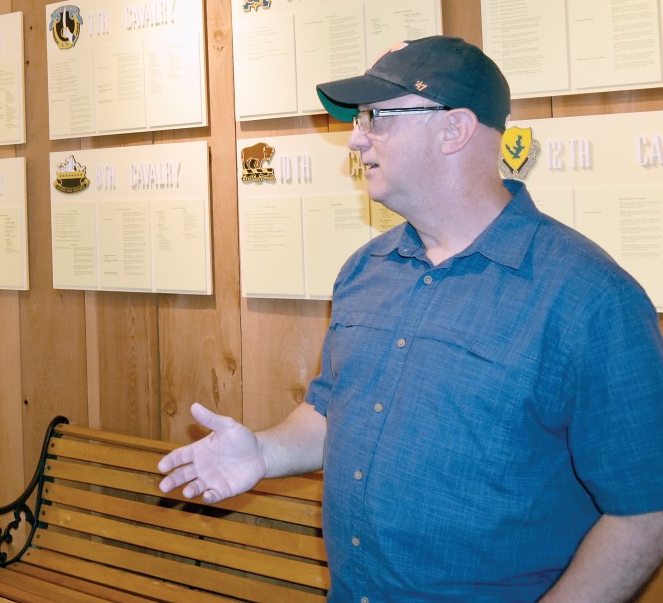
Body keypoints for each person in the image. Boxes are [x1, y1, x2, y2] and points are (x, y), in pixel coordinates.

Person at [159, 36, 663, 602]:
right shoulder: (365, 270)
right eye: (359, 119)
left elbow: (645, 512)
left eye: (376, 117)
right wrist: (264, 452)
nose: (356, 138)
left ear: (454, 129)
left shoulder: (590, 298)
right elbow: (330, 412)